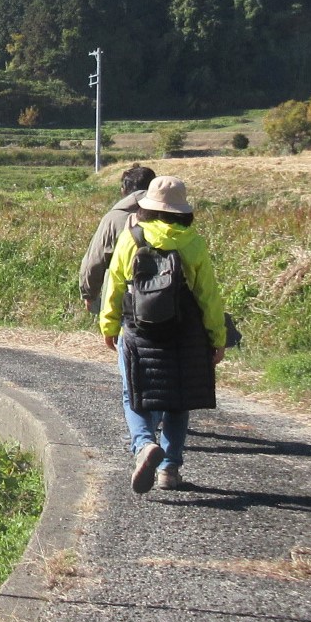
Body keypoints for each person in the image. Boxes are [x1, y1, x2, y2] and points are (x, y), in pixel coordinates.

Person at [98, 175, 226, 493]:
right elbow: (208, 295)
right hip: (185, 332)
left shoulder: (131, 237)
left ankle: (143, 445)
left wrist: (108, 325)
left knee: (135, 394)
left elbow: (113, 285)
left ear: (147, 207)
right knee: (177, 400)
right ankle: (169, 469)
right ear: (183, 211)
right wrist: (217, 338)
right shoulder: (192, 243)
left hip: (138, 329)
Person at [80, 164, 156, 312]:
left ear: (124, 190)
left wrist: (89, 293)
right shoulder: (170, 216)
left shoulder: (114, 218)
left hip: (122, 299)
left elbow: (95, 259)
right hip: (167, 298)